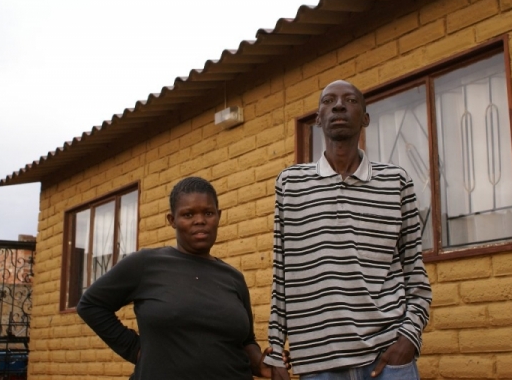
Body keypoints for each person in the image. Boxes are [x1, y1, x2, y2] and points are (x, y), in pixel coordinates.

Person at [263, 80, 432, 380]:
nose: (339, 105)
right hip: (317, 365)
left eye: (350, 100)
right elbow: (282, 274)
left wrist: (408, 339)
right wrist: (276, 349)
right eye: (329, 100)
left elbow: (415, 275)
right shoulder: (290, 184)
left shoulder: (396, 182)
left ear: (366, 117)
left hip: (387, 359)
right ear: (317, 118)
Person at [77, 176, 289, 379]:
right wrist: (136, 350)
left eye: (208, 213)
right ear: (172, 220)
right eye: (188, 215)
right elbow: (91, 305)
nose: (200, 221)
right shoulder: (146, 264)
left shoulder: (233, 278)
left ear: (219, 216)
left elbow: (246, 341)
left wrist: (260, 365)